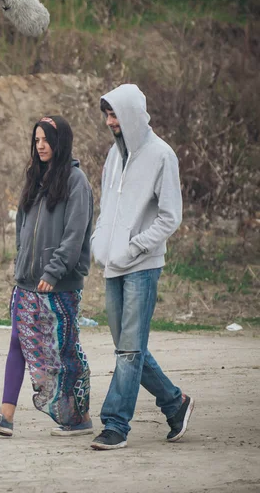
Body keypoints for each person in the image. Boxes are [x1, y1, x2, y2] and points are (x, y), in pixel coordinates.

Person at [0, 115, 94, 438]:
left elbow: (74, 234)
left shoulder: (75, 181)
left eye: (46, 140)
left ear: (60, 142)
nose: (40, 146)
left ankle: (78, 417)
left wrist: (53, 271)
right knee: (17, 342)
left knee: (64, 351)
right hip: (27, 283)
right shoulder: (34, 178)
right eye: (36, 140)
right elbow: (22, 231)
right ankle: (5, 417)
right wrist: (20, 266)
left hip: (59, 285)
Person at [90, 84, 194, 451]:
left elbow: (171, 217)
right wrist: (99, 244)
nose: (109, 122)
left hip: (143, 265)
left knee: (130, 350)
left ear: (132, 113)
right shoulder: (113, 156)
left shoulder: (162, 155)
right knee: (127, 347)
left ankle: (115, 424)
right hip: (112, 264)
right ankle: (174, 403)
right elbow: (106, 207)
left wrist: (134, 247)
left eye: (115, 114)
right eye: (106, 115)